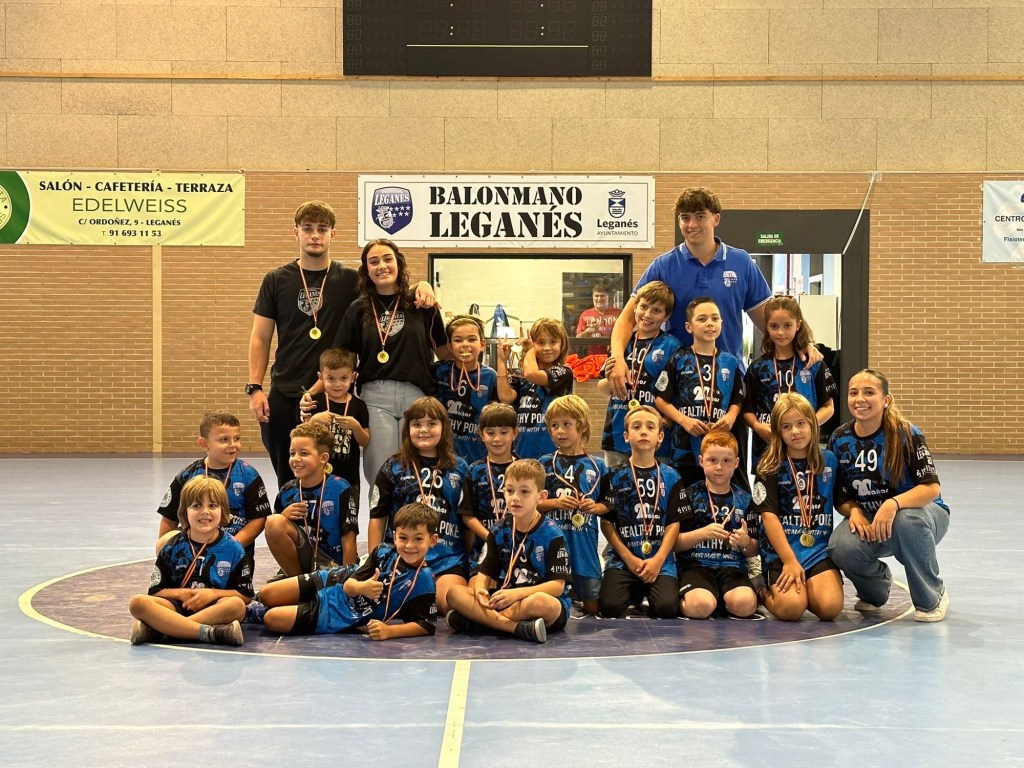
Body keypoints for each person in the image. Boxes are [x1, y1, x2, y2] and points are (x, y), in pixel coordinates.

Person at [249, 204, 434, 489]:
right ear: (296, 232)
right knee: (290, 475)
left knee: (340, 476)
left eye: (322, 229)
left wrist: (423, 285)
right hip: (287, 390)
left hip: (337, 394)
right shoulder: (276, 280)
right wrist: (255, 387)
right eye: (308, 229)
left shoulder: (350, 281)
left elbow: (387, 290)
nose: (315, 235)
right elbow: (260, 338)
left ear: (332, 234)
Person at [608, 187, 772, 395]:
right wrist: (618, 358)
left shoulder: (742, 262)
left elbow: (770, 321)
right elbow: (626, 318)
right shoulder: (663, 266)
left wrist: (803, 344)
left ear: (716, 219)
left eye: (700, 216)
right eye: (685, 218)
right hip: (676, 383)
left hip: (728, 380)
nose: (692, 225)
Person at [826, 369, 950, 622]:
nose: (860, 399)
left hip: (921, 515)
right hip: (872, 517)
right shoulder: (839, 439)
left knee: (907, 520)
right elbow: (840, 495)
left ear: (886, 400)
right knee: (841, 546)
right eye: (853, 393)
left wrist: (892, 505)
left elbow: (931, 488)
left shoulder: (906, 433)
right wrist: (854, 511)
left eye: (869, 392)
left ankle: (932, 596)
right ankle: (876, 589)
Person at [330, 238, 449, 486]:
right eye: (374, 262)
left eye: (387, 259)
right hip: (375, 398)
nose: (382, 266)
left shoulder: (421, 304)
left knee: (417, 471)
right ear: (366, 270)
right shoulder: (358, 309)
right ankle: (380, 514)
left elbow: (444, 352)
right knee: (380, 473)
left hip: (416, 396)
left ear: (399, 264)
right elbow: (343, 360)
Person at [251, 503, 439, 640]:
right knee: (267, 593)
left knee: (272, 619)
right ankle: (257, 608)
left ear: (432, 541)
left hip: (339, 613)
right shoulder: (383, 552)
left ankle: (255, 612)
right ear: (395, 536)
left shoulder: (424, 579)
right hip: (335, 579)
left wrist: (390, 631)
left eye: (418, 539)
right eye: (403, 538)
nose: (409, 546)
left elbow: (427, 624)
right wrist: (362, 588)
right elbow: (349, 586)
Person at [446, 459, 572, 644]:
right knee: (454, 593)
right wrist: (480, 590)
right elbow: (484, 572)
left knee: (540, 602)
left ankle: (479, 622)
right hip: (508, 598)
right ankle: (516, 628)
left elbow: (557, 587)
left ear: (541, 496)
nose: (515, 498)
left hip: (536, 602)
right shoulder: (499, 529)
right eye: (510, 490)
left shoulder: (553, 534)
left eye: (524, 492)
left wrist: (517, 594)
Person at [368, 396, 470, 613]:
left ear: (444, 427)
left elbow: (467, 520)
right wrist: (374, 563)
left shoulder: (460, 468)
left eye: (432, 424)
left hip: (447, 560)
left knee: (450, 601)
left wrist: (472, 565)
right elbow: (377, 518)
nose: (424, 430)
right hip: (402, 557)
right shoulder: (393, 467)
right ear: (407, 429)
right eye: (416, 424)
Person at [129, 476, 252, 646]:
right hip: (176, 607)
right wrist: (181, 594)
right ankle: (208, 632)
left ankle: (165, 630)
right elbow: (156, 591)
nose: (205, 512)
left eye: (212, 505)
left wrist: (212, 594)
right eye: (196, 505)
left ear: (223, 511)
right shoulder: (172, 546)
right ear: (184, 511)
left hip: (213, 609)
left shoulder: (234, 548)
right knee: (138, 603)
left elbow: (245, 595)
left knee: (236, 605)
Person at [752, 393, 844, 622]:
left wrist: (857, 513)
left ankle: (809, 588)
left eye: (801, 423)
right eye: (786, 426)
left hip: (817, 550)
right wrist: (790, 561)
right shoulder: (769, 466)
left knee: (830, 608)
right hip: (781, 552)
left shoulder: (829, 461)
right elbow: (769, 518)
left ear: (812, 423)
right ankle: (760, 587)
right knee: (791, 608)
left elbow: (843, 500)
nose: (795, 431)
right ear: (778, 431)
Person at [155, 410, 270, 574]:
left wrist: (231, 546)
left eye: (237, 439)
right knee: (165, 542)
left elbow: (258, 520)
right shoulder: (187, 475)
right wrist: (164, 555)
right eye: (224, 439)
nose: (233, 445)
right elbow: (169, 518)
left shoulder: (249, 476)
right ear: (204, 444)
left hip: (231, 553)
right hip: (193, 550)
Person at [598, 405, 683, 619]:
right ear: (626, 436)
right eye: (636, 427)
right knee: (609, 607)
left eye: (650, 427)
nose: (643, 431)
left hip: (659, 560)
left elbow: (674, 524)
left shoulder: (672, 477)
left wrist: (659, 559)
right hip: (624, 560)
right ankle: (635, 590)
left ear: (660, 437)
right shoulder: (613, 475)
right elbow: (606, 522)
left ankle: (648, 587)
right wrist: (628, 558)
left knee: (666, 608)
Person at [654, 296, 745, 487]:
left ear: (721, 323)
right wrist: (683, 420)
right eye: (702, 319)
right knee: (686, 496)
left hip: (719, 448)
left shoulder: (730, 362)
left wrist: (730, 417)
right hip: (684, 447)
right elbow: (660, 399)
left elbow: (737, 399)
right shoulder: (679, 358)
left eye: (714, 318)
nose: (709, 323)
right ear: (689, 327)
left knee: (716, 494)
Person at [743, 295, 836, 469]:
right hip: (767, 449)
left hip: (805, 449)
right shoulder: (757, 368)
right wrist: (757, 426)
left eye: (787, 325)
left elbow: (829, 407)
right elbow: (746, 409)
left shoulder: (813, 364)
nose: (780, 332)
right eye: (774, 326)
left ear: (798, 325)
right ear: (766, 327)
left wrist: (807, 425)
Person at [597, 280, 681, 468]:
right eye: (644, 307)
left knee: (656, 483)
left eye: (656, 310)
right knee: (616, 484)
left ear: (666, 316)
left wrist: (666, 422)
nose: (648, 314)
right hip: (617, 431)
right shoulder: (622, 343)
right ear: (635, 307)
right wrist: (611, 380)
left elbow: (677, 393)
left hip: (654, 437)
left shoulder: (672, 346)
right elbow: (602, 388)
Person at [676, 431, 759, 619]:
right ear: (701, 461)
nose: (719, 467)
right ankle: (689, 598)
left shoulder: (745, 500)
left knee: (745, 606)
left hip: (732, 567)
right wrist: (702, 533)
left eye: (726, 461)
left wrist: (745, 542)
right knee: (700, 606)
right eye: (712, 460)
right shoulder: (688, 496)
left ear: (736, 463)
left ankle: (721, 598)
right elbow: (674, 543)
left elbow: (754, 550)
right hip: (695, 566)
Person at [537, 394, 608, 615]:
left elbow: (609, 504)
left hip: (583, 544)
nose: (560, 431)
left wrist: (596, 507)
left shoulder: (598, 465)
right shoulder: (544, 463)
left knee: (593, 607)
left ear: (582, 425)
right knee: (551, 601)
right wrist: (555, 503)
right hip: (553, 543)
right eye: (554, 425)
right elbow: (534, 504)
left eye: (567, 424)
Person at [264, 422, 359, 579]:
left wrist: (347, 580)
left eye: (304, 453)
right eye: (292, 453)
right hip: (303, 562)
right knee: (274, 522)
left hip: (333, 564)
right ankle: (298, 582)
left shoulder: (340, 488)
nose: (296, 459)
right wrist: (284, 517)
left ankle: (304, 587)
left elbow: (349, 540)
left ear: (323, 458)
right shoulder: (287, 491)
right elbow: (276, 535)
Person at [431, 314, 509, 465]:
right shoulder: (439, 371)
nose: (465, 344)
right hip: (442, 457)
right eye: (458, 340)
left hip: (477, 456)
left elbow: (498, 418)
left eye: (472, 339)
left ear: (482, 344)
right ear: (449, 346)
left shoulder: (490, 376)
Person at [496, 317, 574, 459]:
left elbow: (532, 374)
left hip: (553, 453)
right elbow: (505, 397)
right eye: (540, 342)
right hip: (522, 452)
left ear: (562, 344)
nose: (547, 348)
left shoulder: (564, 372)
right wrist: (501, 361)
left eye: (553, 342)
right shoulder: (521, 376)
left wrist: (530, 351)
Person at [301, 347, 370, 495]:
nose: (337, 384)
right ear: (320, 377)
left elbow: (365, 441)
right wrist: (313, 421)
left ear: (353, 377)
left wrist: (355, 426)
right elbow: (301, 437)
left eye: (343, 378)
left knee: (348, 508)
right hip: (317, 473)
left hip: (349, 476)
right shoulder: (314, 403)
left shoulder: (359, 406)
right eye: (331, 378)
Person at [459, 402, 519, 565]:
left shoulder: (525, 469)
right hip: (483, 547)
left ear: (515, 433)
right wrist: (491, 538)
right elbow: (467, 515)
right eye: (490, 433)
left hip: (519, 545)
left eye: (504, 432)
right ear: (481, 434)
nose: (497, 439)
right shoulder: (474, 470)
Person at [575, 277, 621, 356]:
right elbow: (578, 340)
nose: (599, 299)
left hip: (613, 356)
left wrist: (614, 342)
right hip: (592, 357)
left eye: (602, 296)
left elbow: (626, 335)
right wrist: (587, 332)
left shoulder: (618, 313)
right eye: (596, 296)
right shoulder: (585, 315)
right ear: (593, 297)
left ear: (608, 297)